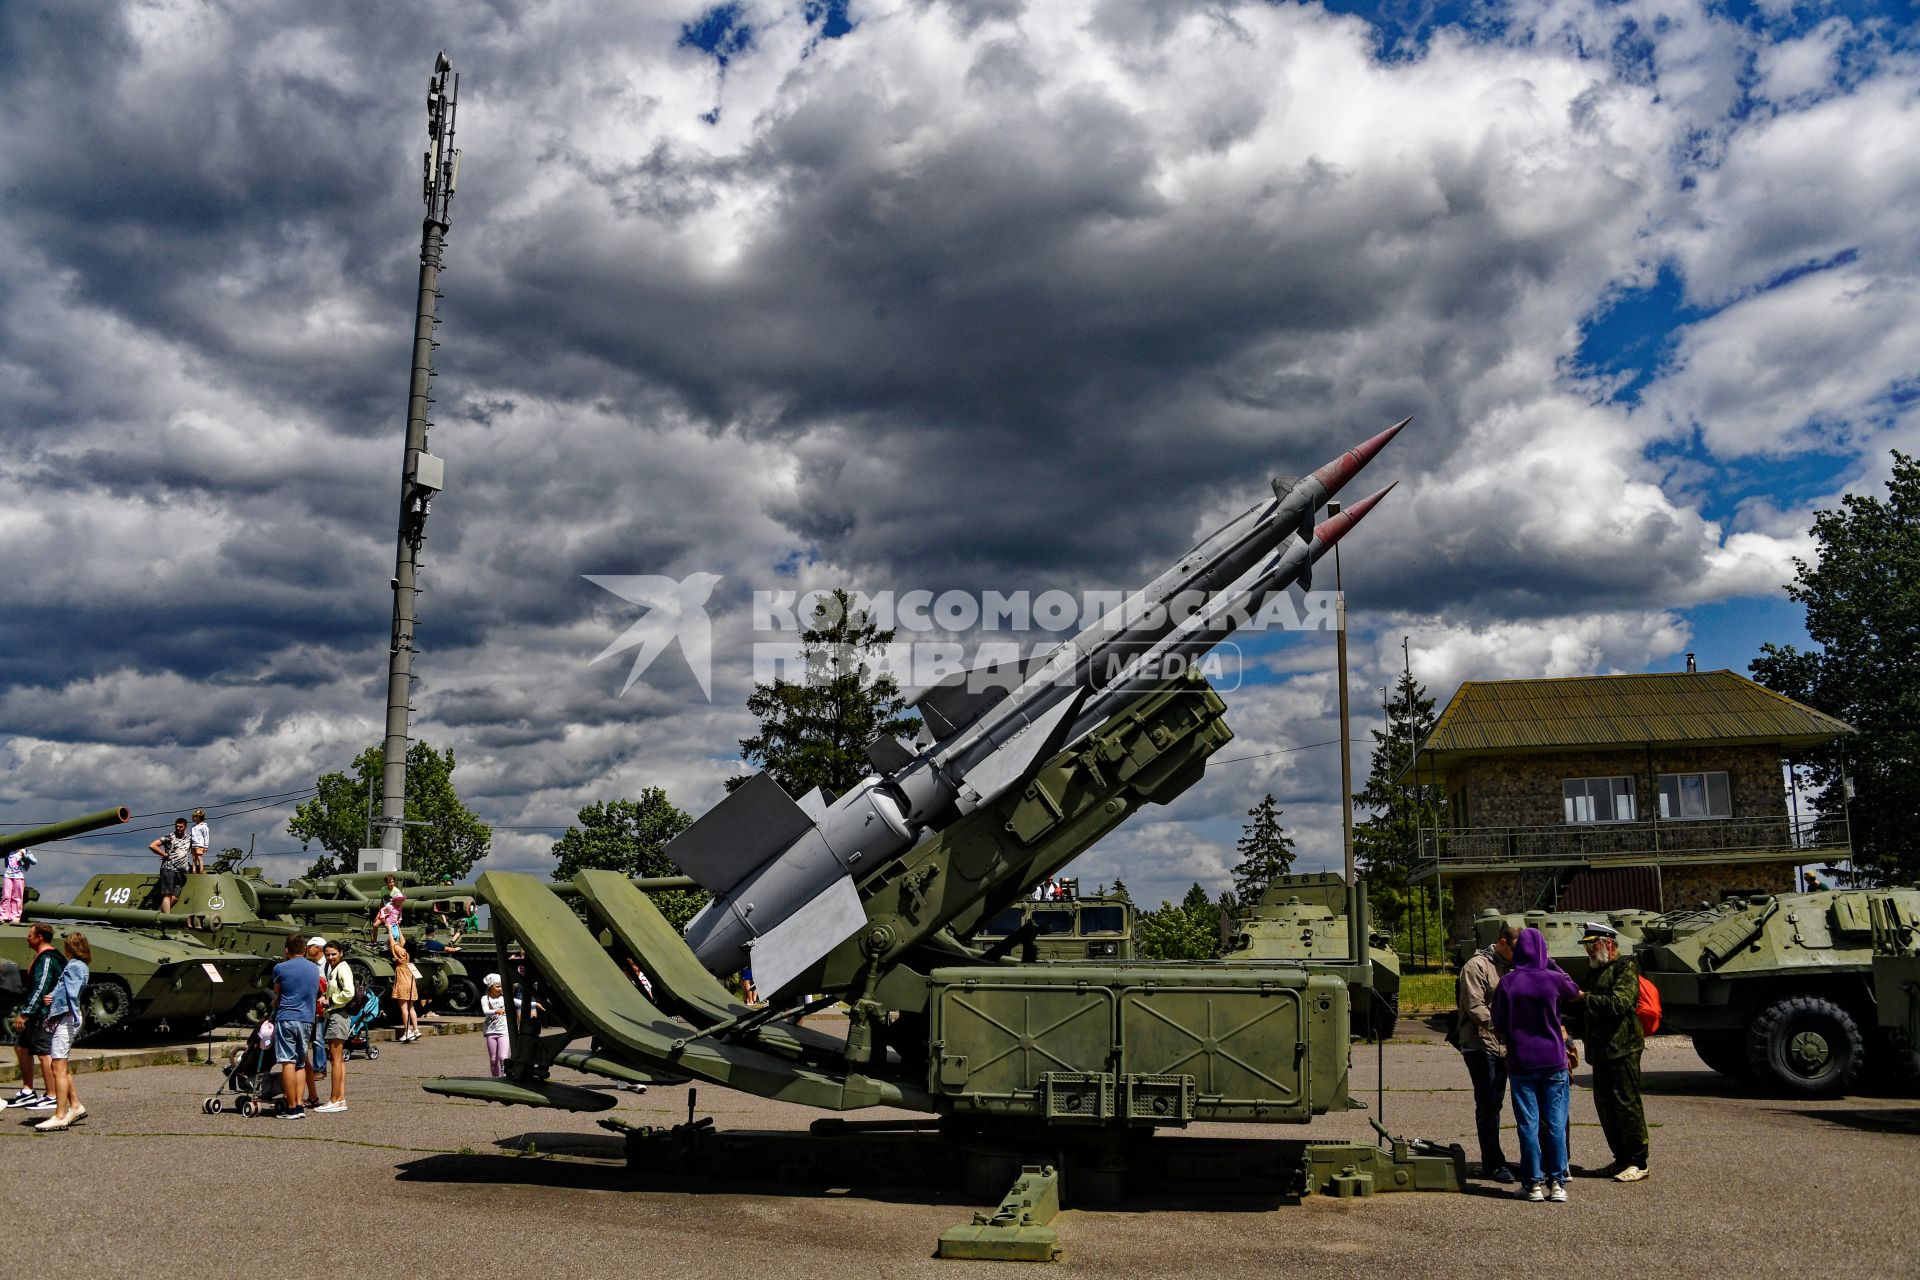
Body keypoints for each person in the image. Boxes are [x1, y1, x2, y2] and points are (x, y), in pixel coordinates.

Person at [1492, 926, 1581, 1203]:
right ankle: (1557, 1182)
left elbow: (1498, 1023)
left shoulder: (1508, 982)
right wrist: (1550, 962)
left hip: (1521, 1061)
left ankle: (1532, 1184)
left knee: (1528, 1123)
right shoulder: (1552, 979)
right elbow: (1575, 990)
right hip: (1553, 1060)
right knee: (1555, 1122)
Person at [1572, 922, 1651, 1183]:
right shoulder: (1595, 972)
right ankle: (1621, 1158)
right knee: (1605, 1107)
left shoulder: (1624, 968)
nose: (1589, 951)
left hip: (1623, 1049)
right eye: (1586, 946)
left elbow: (1619, 1003)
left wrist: (1585, 998)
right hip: (1601, 1052)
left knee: (1626, 1105)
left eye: (1592, 945)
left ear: (1608, 943)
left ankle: (1639, 1161)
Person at [1453, 923, 1517, 1182]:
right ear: (1502, 942)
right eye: (1516, 948)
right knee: (1489, 1102)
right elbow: (1474, 1006)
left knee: (1501, 1101)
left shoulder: (1514, 965)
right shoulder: (1476, 966)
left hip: (1505, 1045)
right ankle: (1493, 1163)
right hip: (1481, 1045)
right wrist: (1503, 1026)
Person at [35, 932, 90, 1132]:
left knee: (57, 1067)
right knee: (60, 1066)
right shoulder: (80, 965)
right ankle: (75, 1106)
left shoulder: (75, 966)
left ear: (71, 948)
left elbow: (71, 993)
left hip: (66, 1018)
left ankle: (60, 1115)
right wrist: (54, 995)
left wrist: (61, 1002)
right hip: (67, 1016)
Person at [7, 924, 64, 1112]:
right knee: (21, 1046)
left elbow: (41, 987)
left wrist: (25, 1013)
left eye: (30, 935)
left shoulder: (47, 958)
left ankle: (52, 1095)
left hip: (43, 1012)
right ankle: (28, 1089)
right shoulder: (41, 956)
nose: (26, 938)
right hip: (38, 1010)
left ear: (39, 937)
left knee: (43, 1052)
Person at [270, 933, 320, 1119]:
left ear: (286, 950)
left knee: (287, 1062)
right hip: (307, 1019)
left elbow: (278, 993)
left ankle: (291, 1107)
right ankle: (299, 1104)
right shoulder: (314, 969)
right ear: (305, 950)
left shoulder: (280, 968)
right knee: (301, 1062)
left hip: (287, 1017)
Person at [317, 942, 354, 1112]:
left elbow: (349, 992)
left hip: (339, 1015)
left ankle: (334, 1099)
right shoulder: (333, 968)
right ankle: (340, 1098)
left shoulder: (342, 968)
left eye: (334, 954)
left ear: (341, 952)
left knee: (335, 1061)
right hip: (335, 1014)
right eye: (327, 955)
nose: (330, 957)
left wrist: (329, 1001)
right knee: (338, 1061)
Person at [302, 937, 329, 1110]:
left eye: (310, 946)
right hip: (313, 1006)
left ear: (317, 948)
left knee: (319, 1038)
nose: (307, 949)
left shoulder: (325, 965)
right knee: (316, 1038)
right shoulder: (313, 965)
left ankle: (319, 1068)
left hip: (322, 1007)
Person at [149, 817, 193, 914]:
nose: (178, 828)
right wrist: (164, 854)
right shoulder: (169, 836)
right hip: (168, 868)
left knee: (175, 897)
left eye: (180, 827)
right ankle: (166, 919)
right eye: (176, 826)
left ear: (185, 827)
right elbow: (152, 845)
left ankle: (158, 913)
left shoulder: (189, 839)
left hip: (181, 871)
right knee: (167, 895)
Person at [390, 938, 421, 1042]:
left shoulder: (402, 955)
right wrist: (398, 928)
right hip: (411, 984)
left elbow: (393, 944)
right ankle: (416, 1030)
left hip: (403, 984)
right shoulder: (411, 956)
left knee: (404, 1009)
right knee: (411, 1008)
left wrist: (390, 929)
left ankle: (407, 1031)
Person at [480, 973, 508, 1077]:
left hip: (504, 1031)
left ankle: (505, 1078)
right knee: (493, 1059)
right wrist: (497, 1011)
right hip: (491, 1031)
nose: (500, 988)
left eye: (501, 986)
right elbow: (486, 1011)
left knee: (503, 1058)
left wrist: (535, 1004)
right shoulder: (485, 998)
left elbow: (517, 1002)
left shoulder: (505, 998)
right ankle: (495, 1079)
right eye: (497, 986)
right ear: (490, 987)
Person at [1, 848, 35, 924]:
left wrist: (24, 856)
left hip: (19, 876)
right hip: (8, 875)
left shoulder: (26, 850)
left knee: (17, 897)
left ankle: (15, 917)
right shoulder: (9, 850)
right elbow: (7, 864)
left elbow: (34, 861)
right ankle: (3, 916)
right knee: (6, 896)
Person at [189, 808, 210, 875]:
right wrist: (190, 845)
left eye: (194, 817)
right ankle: (194, 870)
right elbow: (190, 836)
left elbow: (206, 836)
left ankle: (201, 870)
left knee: (199, 857)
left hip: (200, 844)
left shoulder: (204, 827)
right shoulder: (193, 827)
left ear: (199, 817)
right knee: (194, 858)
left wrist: (206, 846)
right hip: (193, 845)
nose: (193, 818)